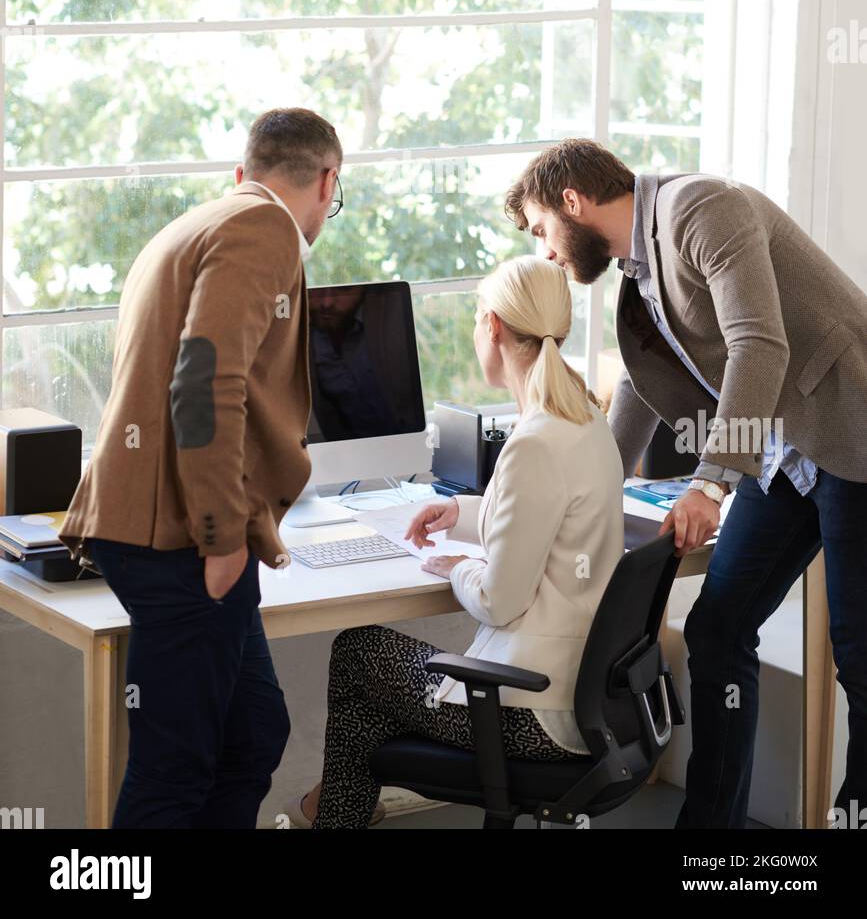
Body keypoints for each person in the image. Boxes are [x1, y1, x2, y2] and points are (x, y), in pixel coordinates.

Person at [503, 137, 867, 829]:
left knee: (860, 660)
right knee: (717, 628)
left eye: (542, 229)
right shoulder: (637, 271)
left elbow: (758, 344)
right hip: (781, 457)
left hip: (852, 434)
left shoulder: (700, 208)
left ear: (572, 201)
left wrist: (709, 484)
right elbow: (640, 386)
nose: (545, 252)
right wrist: (589, 485)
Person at [59, 107, 343, 828]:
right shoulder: (264, 227)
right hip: (183, 535)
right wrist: (219, 536)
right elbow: (204, 380)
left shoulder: (201, 222)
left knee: (252, 734)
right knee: (176, 765)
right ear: (327, 181)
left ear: (244, 171)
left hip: (160, 525)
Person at [286, 252, 625, 828]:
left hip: (532, 714)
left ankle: (325, 815)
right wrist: (458, 514)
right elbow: (539, 516)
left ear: (493, 326)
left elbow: (498, 599)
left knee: (358, 653)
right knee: (370, 708)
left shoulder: (535, 443)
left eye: (475, 320)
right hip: (584, 703)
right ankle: (326, 814)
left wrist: (456, 568)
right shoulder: (584, 422)